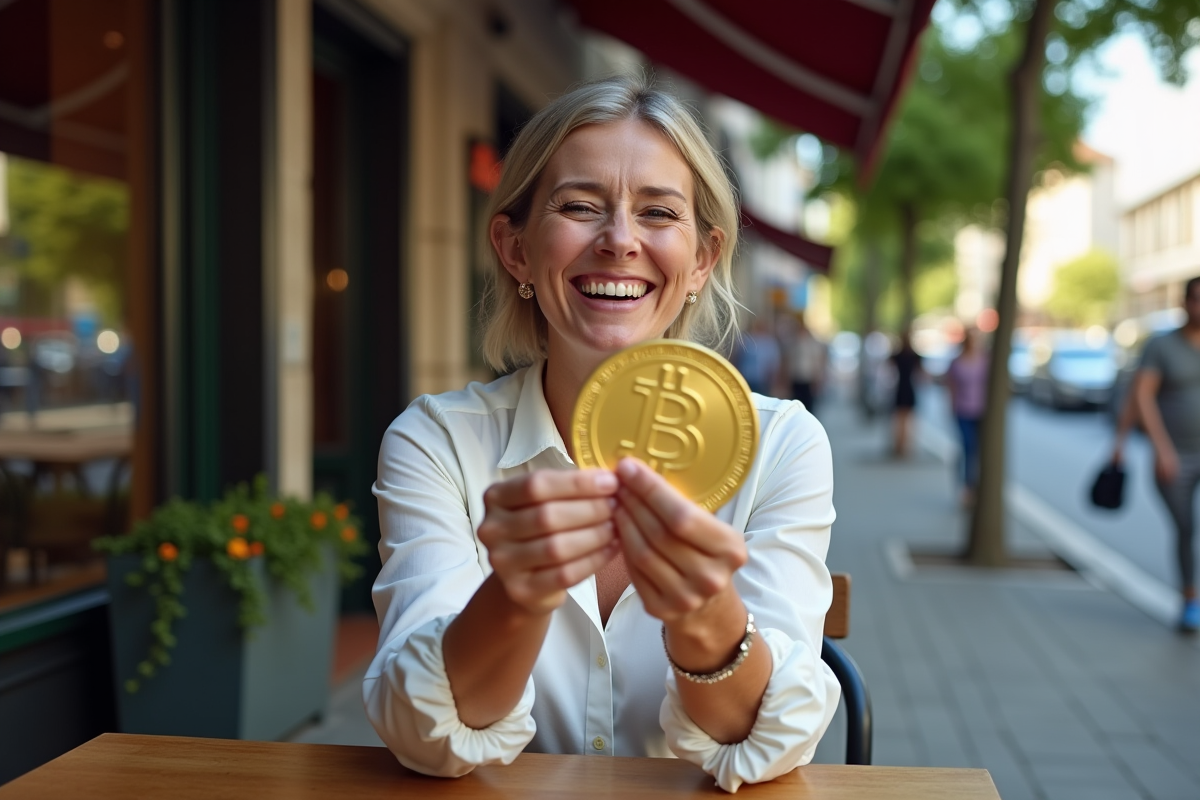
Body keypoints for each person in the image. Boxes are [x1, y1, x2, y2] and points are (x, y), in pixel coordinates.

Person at [364, 76, 839, 792]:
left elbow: (767, 747)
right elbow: (422, 739)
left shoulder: (782, 447)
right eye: (580, 206)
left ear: (703, 260)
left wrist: (704, 613)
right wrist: (517, 596)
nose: (619, 241)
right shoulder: (437, 444)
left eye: (658, 212)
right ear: (516, 248)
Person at [1113, 276, 1200, 633]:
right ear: (1184, 303)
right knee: (1185, 528)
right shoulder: (1161, 346)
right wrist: (1154, 447)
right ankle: (1190, 598)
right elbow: (1142, 396)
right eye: (1197, 300)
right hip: (1174, 456)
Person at [945, 329, 988, 505]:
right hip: (963, 411)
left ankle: (976, 486)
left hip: (981, 411)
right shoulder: (957, 362)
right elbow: (951, 386)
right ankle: (966, 487)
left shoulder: (985, 360)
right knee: (967, 448)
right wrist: (952, 407)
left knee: (977, 450)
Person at [782, 311, 826, 414]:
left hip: (808, 379)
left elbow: (818, 361)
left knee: (809, 405)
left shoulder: (812, 343)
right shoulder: (792, 343)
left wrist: (818, 378)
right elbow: (787, 361)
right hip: (796, 378)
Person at [889, 331, 922, 458]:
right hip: (909, 388)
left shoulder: (898, 355)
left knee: (899, 420)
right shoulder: (914, 356)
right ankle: (905, 445)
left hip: (900, 388)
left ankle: (900, 445)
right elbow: (921, 374)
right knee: (908, 420)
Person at [733, 316, 782, 396]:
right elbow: (738, 357)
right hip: (746, 377)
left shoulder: (770, 342)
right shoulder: (746, 339)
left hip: (762, 379)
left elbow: (773, 362)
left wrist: (772, 379)